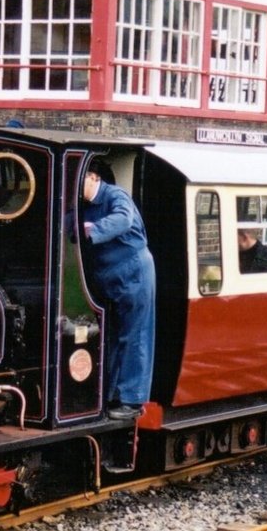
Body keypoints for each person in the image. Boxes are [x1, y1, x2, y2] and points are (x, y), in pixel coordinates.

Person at [80, 158, 155, 420]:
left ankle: (132, 400)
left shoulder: (116, 195)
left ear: (93, 177)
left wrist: (93, 230)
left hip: (132, 271)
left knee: (134, 335)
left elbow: (123, 219)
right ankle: (110, 394)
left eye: (80, 182)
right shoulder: (83, 204)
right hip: (106, 276)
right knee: (109, 336)